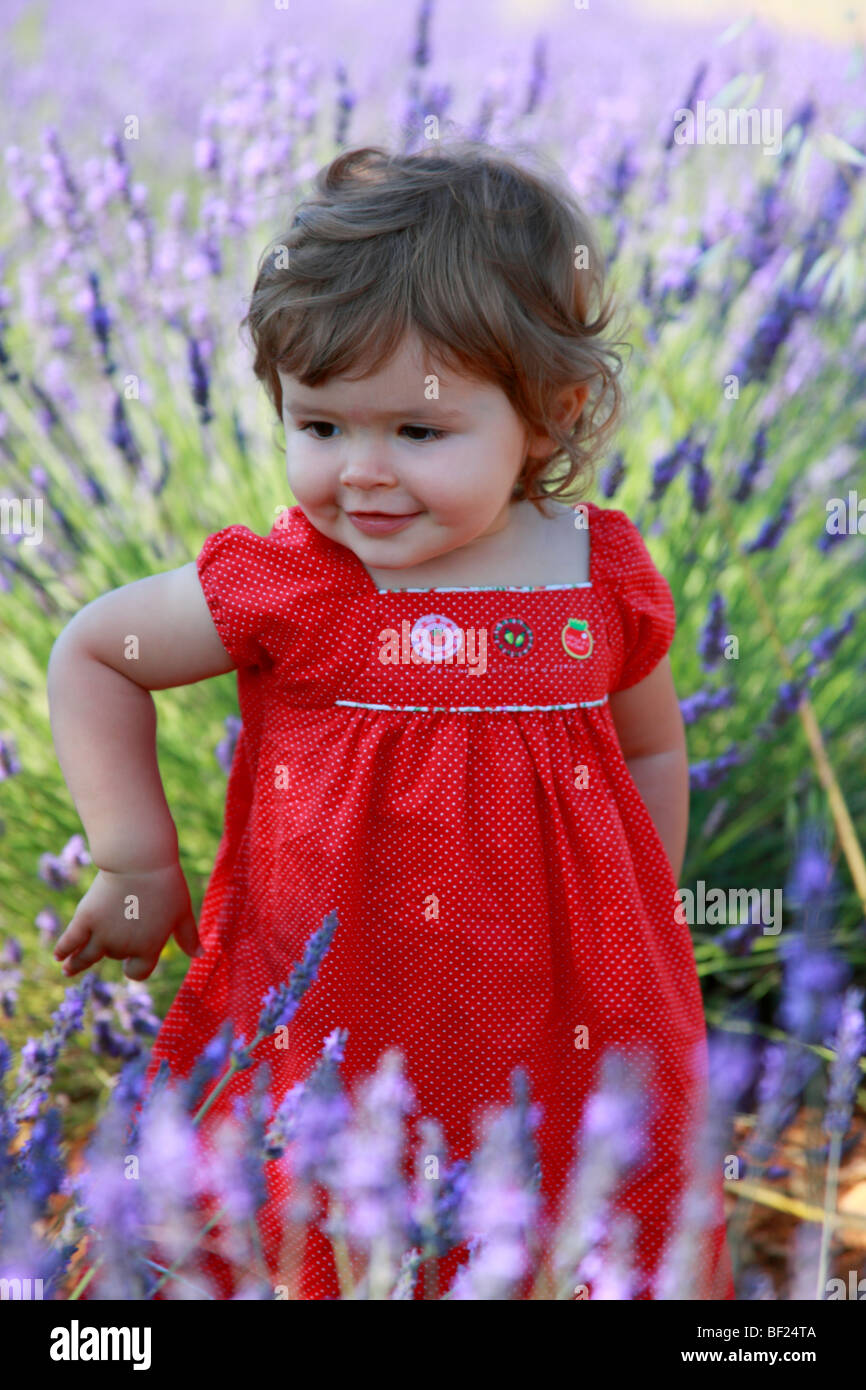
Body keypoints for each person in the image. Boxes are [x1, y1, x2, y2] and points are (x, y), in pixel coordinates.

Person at [47, 142, 734, 1300]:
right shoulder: (297, 581)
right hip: (336, 998)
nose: (361, 473)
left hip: (566, 1008)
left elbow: (650, 741)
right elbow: (94, 654)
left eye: (416, 433)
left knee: (581, 1203)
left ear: (549, 416)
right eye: (319, 426)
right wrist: (132, 857)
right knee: (317, 1212)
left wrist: (636, 908)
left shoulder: (596, 575)